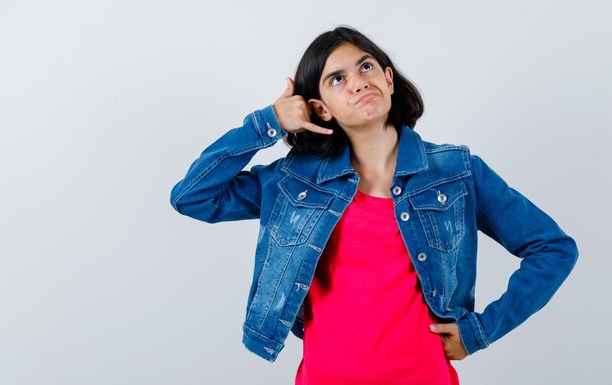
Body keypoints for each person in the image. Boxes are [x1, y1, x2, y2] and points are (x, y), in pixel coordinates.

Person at [170, 26, 578, 385]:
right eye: (337, 79)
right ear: (319, 109)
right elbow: (193, 197)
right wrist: (267, 122)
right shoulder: (295, 181)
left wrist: (481, 332)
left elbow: (553, 248)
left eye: (366, 68)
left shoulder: (455, 172)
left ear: (388, 78)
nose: (358, 82)